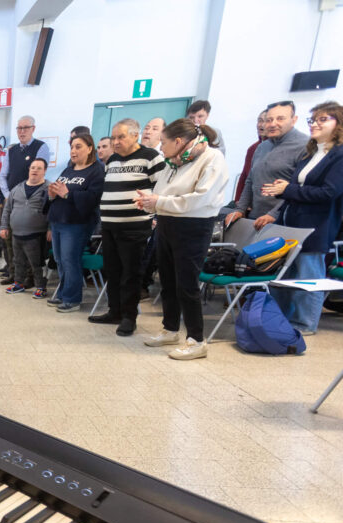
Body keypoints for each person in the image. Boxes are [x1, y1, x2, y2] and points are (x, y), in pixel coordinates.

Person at [134, 119, 229, 360]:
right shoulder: (174, 160)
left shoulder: (212, 157)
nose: (160, 148)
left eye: (163, 143)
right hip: (167, 222)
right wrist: (149, 201)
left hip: (194, 226)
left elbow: (201, 199)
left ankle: (197, 340)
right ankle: (170, 329)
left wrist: (159, 202)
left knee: (186, 284)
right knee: (166, 280)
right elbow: (164, 192)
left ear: (178, 141)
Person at [263, 101, 343, 335]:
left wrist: (286, 190)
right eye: (313, 120)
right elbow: (297, 187)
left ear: (338, 123)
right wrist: (282, 190)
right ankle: (281, 319)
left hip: (316, 225)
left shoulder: (339, 156)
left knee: (308, 276)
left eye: (322, 119)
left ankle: (304, 323)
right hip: (291, 223)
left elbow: (329, 193)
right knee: (285, 274)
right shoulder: (313, 153)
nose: (315, 124)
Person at [90, 118, 164, 336]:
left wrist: (155, 214)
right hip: (110, 226)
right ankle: (114, 311)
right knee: (111, 271)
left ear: (135, 135)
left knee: (130, 274)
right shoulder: (111, 160)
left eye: (121, 137)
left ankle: (129, 317)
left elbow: (162, 189)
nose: (116, 141)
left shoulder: (151, 157)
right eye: (113, 137)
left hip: (134, 226)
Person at [44, 133, 105, 312]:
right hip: (58, 221)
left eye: (78, 147)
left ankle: (73, 299)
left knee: (70, 260)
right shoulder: (69, 169)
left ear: (89, 148)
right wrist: (52, 194)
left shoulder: (96, 170)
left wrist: (67, 194)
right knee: (60, 260)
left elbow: (93, 198)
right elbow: (59, 192)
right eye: (71, 147)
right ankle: (63, 293)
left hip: (77, 224)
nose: (73, 151)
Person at [226, 100, 308, 230]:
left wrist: (274, 214)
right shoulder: (262, 146)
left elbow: (298, 188)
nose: (273, 124)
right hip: (255, 218)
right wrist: (240, 209)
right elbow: (250, 180)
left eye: (280, 119)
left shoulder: (305, 146)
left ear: (294, 120)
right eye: (269, 120)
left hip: (282, 221)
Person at [0, 115, 52, 284]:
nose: (22, 131)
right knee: (10, 241)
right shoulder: (11, 150)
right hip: (10, 200)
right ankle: (14, 275)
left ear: (33, 129)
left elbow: (40, 172)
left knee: (29, 242)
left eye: (25, 128)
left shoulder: (40, 147)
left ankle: (30, 277)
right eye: (19, 128)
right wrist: (7, 196)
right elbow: (3, 175)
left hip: (31, 199)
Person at [0, 158, 50, 298]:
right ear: (29, 170)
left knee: (36, 263)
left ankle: (40, 287)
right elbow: (7, 209)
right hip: (16, 234)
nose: (35, 170)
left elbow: (54, 210)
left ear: (45, 171)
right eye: (33, 167)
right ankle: (18, 283)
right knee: (18, 261)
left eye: (39, 168)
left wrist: (51, 228)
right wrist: (4, 226)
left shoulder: (48, 188)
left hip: (36, 234)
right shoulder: (17, 188)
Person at [235, 110, 268, 203]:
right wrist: (238, 200)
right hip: (246, 201)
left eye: (266, 121)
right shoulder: (252, 148)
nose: (261, 125)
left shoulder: (277, 149)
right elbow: (244, 176)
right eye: (260, 120)